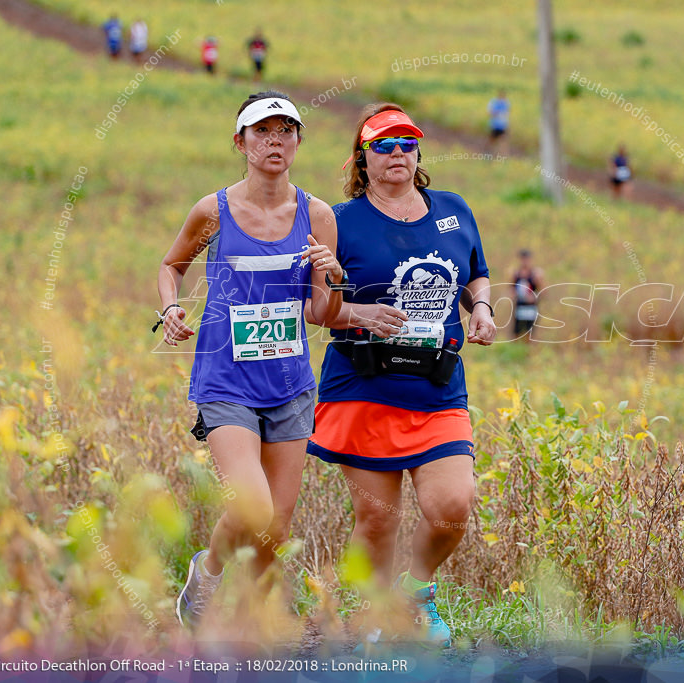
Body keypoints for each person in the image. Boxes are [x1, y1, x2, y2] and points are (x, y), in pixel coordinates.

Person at [307, 104, 496, 647]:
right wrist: (356, 309)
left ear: (419, 152)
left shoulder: (455, 210)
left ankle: (415, 593)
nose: (397, 153)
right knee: (377, 519)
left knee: (452, 506)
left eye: (407, 143)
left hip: (436, 387)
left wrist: (480, 308)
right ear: (362, 157)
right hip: (362, 387)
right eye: (384, 144)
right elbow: (316, 310)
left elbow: (476, 274)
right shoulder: (338, 222)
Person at [156, 91, 344, 630]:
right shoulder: (212, 211)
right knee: (254, 508)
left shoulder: (318, 215)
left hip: (290, 384)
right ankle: (209, 571)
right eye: (263, 131)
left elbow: (321, 313)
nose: (275, 141)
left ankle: (252, 626)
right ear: (240, 142)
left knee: (273, 529)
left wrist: (331, 274)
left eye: (286, 130)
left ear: (299, 142)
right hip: (226, 382)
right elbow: (172, 266)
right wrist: (170, 307)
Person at [510, 249, 543, 341]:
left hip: (531, 308)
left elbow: (543, 291)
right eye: (523, 259)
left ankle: (528, 353)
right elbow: (511, 288)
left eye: (526, 259)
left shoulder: (535, 274)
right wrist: (514, 294)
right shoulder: (516, 274)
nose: (525, 262)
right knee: (516, 333)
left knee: (529, 334)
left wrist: (534, 297)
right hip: (519, 307)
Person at [487, 89, 510, 155]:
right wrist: (497, 113)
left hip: (503, 125)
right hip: (495, 125)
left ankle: (503, 155)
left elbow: (507, 113)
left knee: (503, 141)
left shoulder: (506, 103)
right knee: (492, 140)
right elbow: (490, 112)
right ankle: (490, 152)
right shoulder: (494, 102)